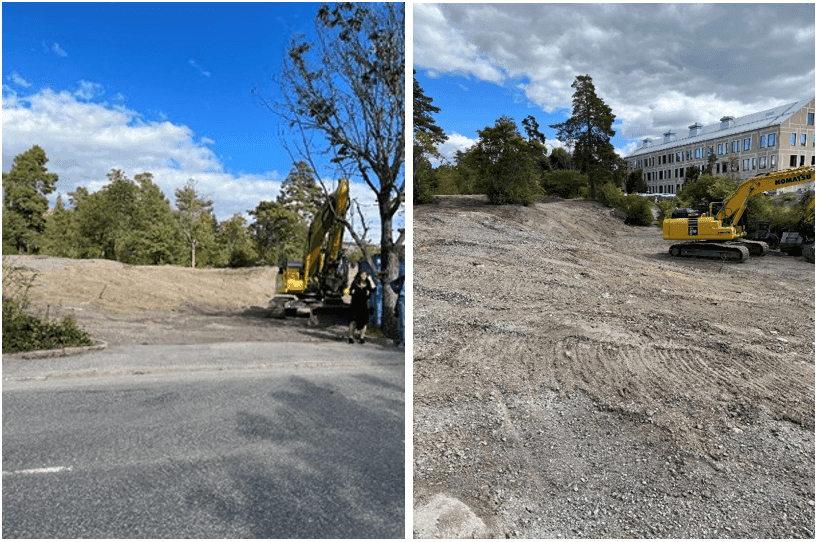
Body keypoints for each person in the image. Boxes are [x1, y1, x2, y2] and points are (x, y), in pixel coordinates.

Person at [349, 270, 376, 344]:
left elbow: (374, 289)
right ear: (359, 275)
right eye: (362, 274)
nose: (363, 276)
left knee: (364, 322)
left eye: (365, 275)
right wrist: (352, 291)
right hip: (355, 304)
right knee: (353, 321)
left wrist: (370, 279)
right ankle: (351, 337)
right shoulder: (355, 283)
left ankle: (362, 337)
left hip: (364, 305)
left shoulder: (368, 284)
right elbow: (350, 291)